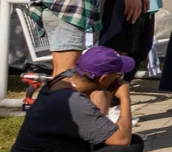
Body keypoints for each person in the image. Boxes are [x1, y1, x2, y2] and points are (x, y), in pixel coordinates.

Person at [9, 46, 144, 152]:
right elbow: (121, 140)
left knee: (133, 141)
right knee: (124, 148)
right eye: (116, 74)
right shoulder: (73, 101)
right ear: (103, 78)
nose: (118, 78)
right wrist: (125, 98)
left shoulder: (64, 78)